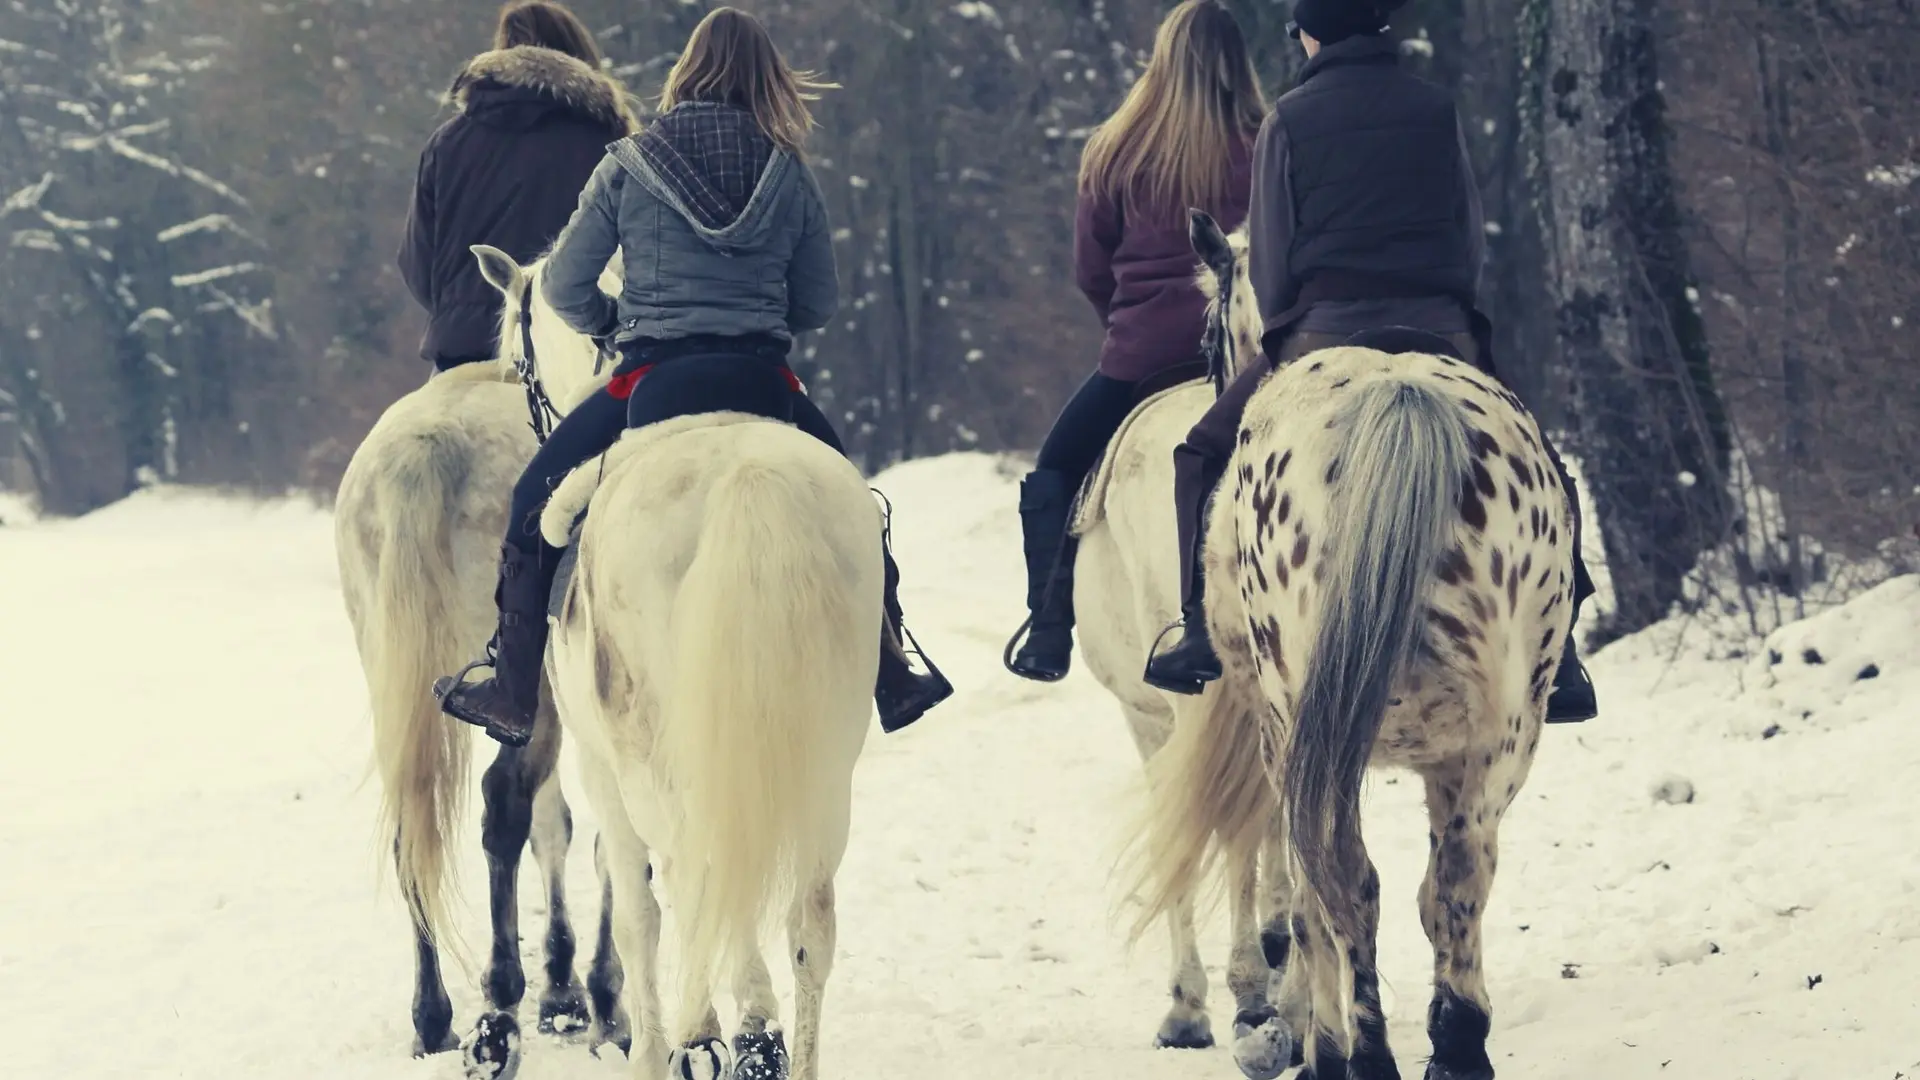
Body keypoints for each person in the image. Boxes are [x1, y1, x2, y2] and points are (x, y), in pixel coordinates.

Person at [433, 6, 953, 747]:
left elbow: (563, 288)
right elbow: (819, 302)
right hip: (763, 383)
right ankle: (891, 667)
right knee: (856, 507)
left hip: (653, 381)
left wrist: (615, 325)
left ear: (686, 73)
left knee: (532, 501)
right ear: (766, 81)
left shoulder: (627, 164)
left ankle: (513, 687)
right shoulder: (788, 169)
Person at [1138, 0, 1599, 723]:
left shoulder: (1287, 119)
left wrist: (1289, 329)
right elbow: (1466, 237)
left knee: (1199, 452)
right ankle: (1562, 649)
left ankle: (1196, 632)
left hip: (1325, 332)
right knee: (1540, 458)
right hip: (1441, 328)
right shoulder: (1435, 108)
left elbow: (1274, 265)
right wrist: (1448, 316)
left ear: (1308, 35)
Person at [1004, 0, 1266, 683]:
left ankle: (1048, 627)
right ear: (1238, 65)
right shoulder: (1269, 142)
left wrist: (1129, 329)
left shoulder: (1116, 149)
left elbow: (1091, 270)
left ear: (1161, 60)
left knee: (1057, 468)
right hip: (1252, 360)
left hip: (1143, 358)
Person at [398, 1, 640, 374]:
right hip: (568, 352)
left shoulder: (447, 142)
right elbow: (634, 255)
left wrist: (464, 310)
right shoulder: (607, 140)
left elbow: (416, 264)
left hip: (461, 349)